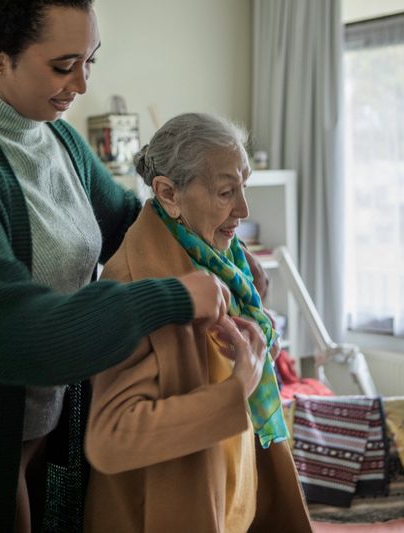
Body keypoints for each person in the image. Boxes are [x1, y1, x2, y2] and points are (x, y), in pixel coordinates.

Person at [0, 2, 230, 532]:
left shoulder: (62, 142)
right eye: (63, 64)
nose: (81, 82)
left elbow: (133, 228)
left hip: (25, 442)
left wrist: (224, 259)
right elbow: (2, 330)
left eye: (91, 60)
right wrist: (169, 298)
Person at [83, 113, 312, 533]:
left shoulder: (224, 264)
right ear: (168, 194)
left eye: (244, 186)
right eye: (226, 192)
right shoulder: (136, 287)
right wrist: (237, 386)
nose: (243, 209)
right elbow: (112, 438)